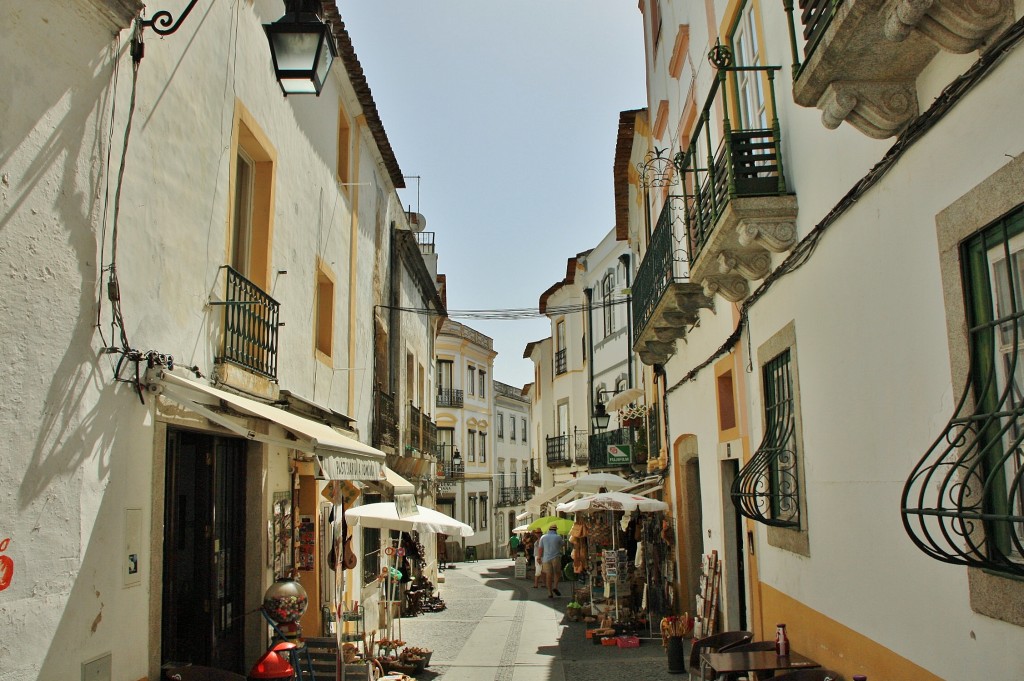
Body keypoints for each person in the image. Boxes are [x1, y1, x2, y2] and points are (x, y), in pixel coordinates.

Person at [538, 523, 565, 598]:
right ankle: (555, 586)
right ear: (555, 530)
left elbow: (540, 548)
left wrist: (539, 557)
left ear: (549, 530)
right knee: (557, 573)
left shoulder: (543, 537)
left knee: (548, 575)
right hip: (556, 557)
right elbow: (563, 544)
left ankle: (549, 592)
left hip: (546, 559)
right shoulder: (558, 537)